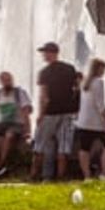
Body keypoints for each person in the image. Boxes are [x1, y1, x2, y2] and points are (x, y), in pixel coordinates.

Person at [35, 42, 82, 180]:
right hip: (68, 112)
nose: (44, 55)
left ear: (52, 53)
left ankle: (35, 174)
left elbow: (44, 97)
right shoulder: (70, 68)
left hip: (51, 112)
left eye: (45, 52)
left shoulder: (44, 72)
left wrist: (40, 115)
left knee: (40, 144)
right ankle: (61, 176)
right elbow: (77, 88)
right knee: (64, 146)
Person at [74, 57, 105, 180]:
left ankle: (87, 176)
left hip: (83, 121)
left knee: (84, 148)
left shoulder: (84, 83)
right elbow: (100, 103)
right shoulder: (98, 82)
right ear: (98, 69)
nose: (104, 71)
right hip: (97, 122)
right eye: (103, 69)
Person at [0, 70, 33, 171]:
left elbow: (25, 112)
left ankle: (1, 163)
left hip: (17, 123)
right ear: (0, 82)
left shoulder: (19, 92)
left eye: (9, 79)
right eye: (4, 80)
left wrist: (28, 131)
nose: (7, 82)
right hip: (2, 123)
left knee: (9, 135)